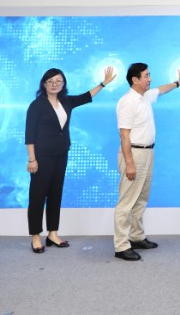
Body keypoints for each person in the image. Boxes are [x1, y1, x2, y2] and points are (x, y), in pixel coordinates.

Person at [25, 67, 116, 253]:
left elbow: (86, 96)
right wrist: (32, 159)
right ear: (44, 84)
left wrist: (103, 83)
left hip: (61, 153)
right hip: (42, 156)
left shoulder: (66, 101)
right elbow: (30, 134)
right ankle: (35, 236)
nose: (54, 84)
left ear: (63, 83)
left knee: (55, 194)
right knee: (37, 196)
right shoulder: (36, 105)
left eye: (58, 81)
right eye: (50, 81)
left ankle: (52, 233)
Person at [114, 63, 180, 261]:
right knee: (127, 201)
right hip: (134, 154)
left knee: (141, 198)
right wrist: (129, 163)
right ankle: (121, 246)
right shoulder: (127, 101)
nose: (150, 79)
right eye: (146, 76)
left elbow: (161, 89)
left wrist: (178, 83)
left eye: (150, 75)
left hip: (147, 153)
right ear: (135, 80)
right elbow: (124, 135)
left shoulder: (145, 96)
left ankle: (136, 236)